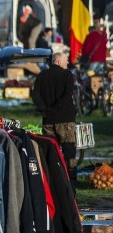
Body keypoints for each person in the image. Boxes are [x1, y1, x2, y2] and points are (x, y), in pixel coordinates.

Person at [31, 52, 78, 185]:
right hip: (65, 119)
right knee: (69, 152)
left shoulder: (41, 76)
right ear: (58, 61)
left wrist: (45, 110)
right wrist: (56, 108)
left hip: (48, 121)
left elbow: (36, 96)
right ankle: (71, 183)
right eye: (66, 60)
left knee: (51, 152)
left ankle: (52, 181)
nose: (67, 63)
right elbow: (67, 95)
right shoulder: (67, 75)